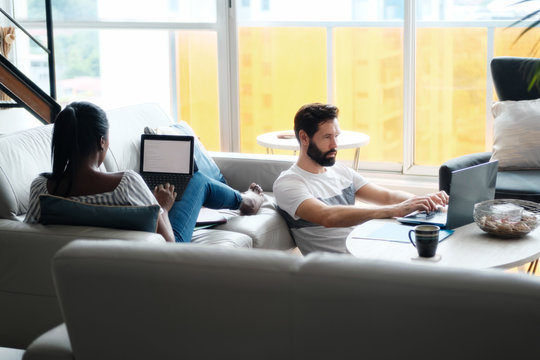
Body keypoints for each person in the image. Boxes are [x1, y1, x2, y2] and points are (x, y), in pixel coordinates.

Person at [24, 101, 264, 243]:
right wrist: (163, 207)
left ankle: (243, 199)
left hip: (84, 269)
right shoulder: (127, 183)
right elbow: (168, 243)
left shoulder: (40, 190)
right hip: (160, 250)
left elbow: (31, 235)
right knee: (199, 180)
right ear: (101, 142)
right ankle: (247, 201)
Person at [273, 103, 449, 255]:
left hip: (365, 250)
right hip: (341, 269)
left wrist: (425, 201)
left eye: (336, 136)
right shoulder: (289, 183)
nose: (335, 145)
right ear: (304, 137)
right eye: (327, 137)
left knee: (440, 250)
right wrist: (396, 210)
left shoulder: (341, 172)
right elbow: (328, 216)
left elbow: (388, 196)